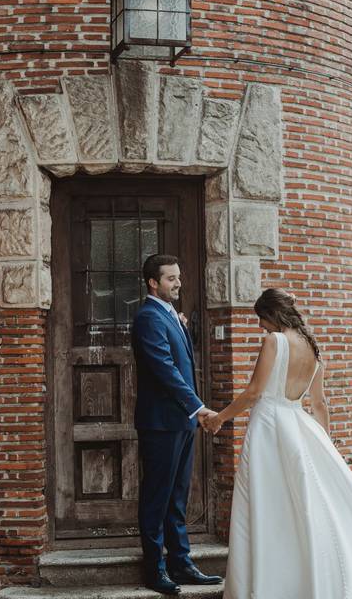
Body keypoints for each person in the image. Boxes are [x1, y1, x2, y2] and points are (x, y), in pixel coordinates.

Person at [201, 288, 352, 599]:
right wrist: (326, 446)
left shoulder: (275, 341)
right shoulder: (314, 349)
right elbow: (319, 404)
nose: (260, 326)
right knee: (303, 504)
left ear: (272, 315)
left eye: (261, 319)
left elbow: (253, 392)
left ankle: (270, 582)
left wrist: (220, 418)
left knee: (266, 503)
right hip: (300, 426)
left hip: (269, 428)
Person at [131, 254, 224, 596]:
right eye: (171, 278)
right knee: (157, 497)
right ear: (153, 283)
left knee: (177, 498)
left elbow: (183, 358)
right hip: (161, 424)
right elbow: (165, 369)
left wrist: (182, 326)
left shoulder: (170, 316)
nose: (178, 283)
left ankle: (181, 563)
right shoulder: (148, 318)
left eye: (178, 277)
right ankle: (155, 569)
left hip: (181, 423)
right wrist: (199, 409)